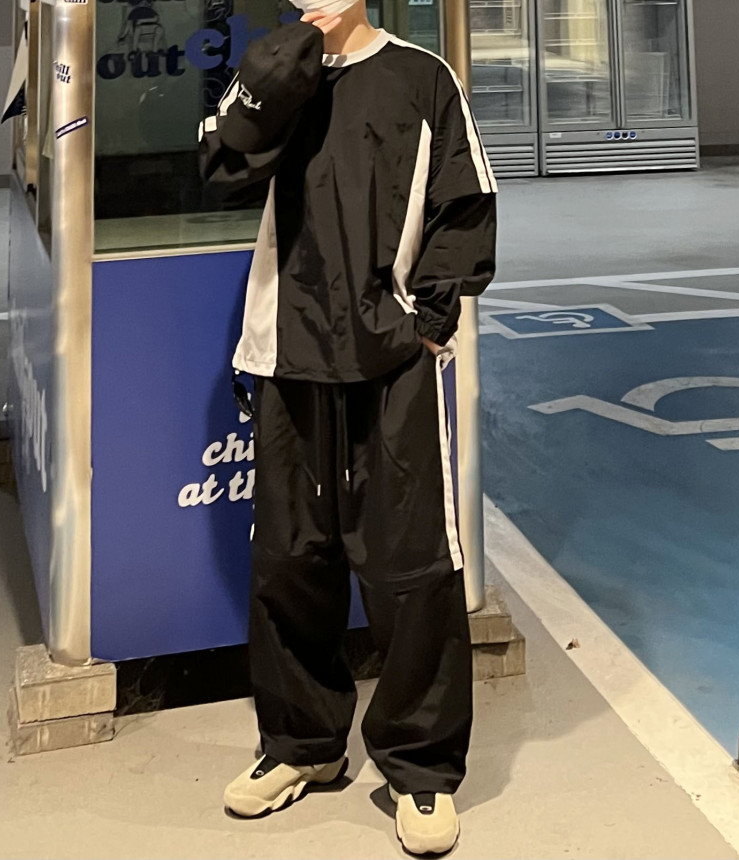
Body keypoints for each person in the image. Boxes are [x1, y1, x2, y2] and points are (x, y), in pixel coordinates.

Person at [198, 0, 496, 852]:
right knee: (290, 559)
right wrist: (277, 77)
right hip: (286, 354)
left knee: (412, 564)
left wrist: (428, 320)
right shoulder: (274, 73)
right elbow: (221, 166)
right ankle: (302, 744)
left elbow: (467, 205)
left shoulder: (421, 78)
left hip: (390, 363)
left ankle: (420, 767)